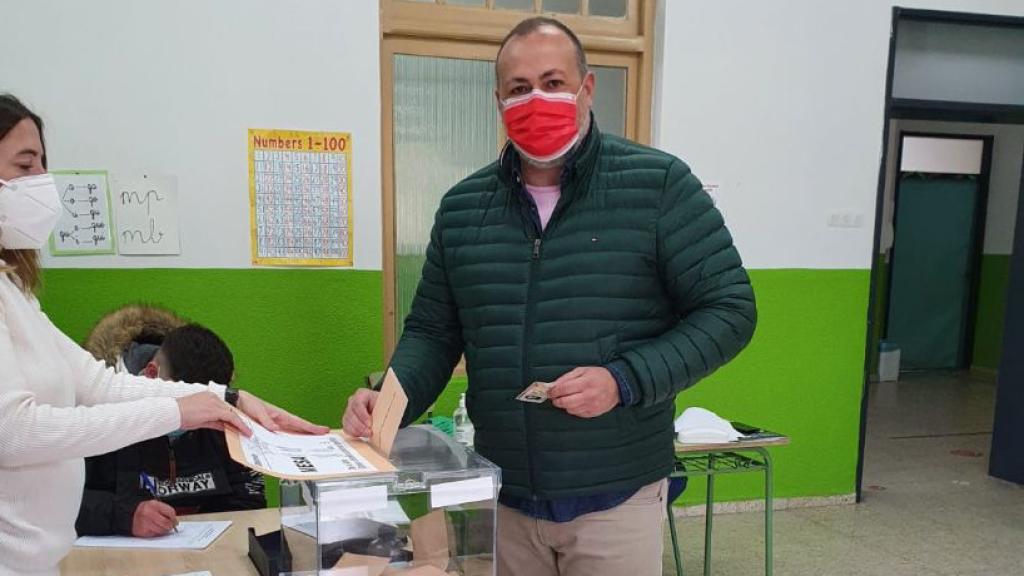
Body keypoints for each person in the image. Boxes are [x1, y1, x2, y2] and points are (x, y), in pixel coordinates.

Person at [343, 17, 757, 576]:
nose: (536, 99)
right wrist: (388, 398)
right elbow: (433, 332)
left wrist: (624, 380)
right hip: (505, 497)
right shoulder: (464, 209)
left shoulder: (658, 186)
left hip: (616, 495)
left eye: (553, 82)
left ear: (586, 88)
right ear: (499, 101)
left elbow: (730, 310)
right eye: (519, 88)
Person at [0, 93, 329, 576]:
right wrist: (179, 411)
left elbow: (97, 384)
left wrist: (227, 399)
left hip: (40, 559)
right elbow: (13, 431)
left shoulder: (15, 293)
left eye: (44, 164)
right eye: (25, 165)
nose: (42, 182)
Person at [76, 317, 267, 538]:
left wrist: (205, 529)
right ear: (151, 374)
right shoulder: (93, 412)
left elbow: (249, 497)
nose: (200, 420)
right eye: (191, 405)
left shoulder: (219, 408)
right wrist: (125, 516)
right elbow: (59, 501)